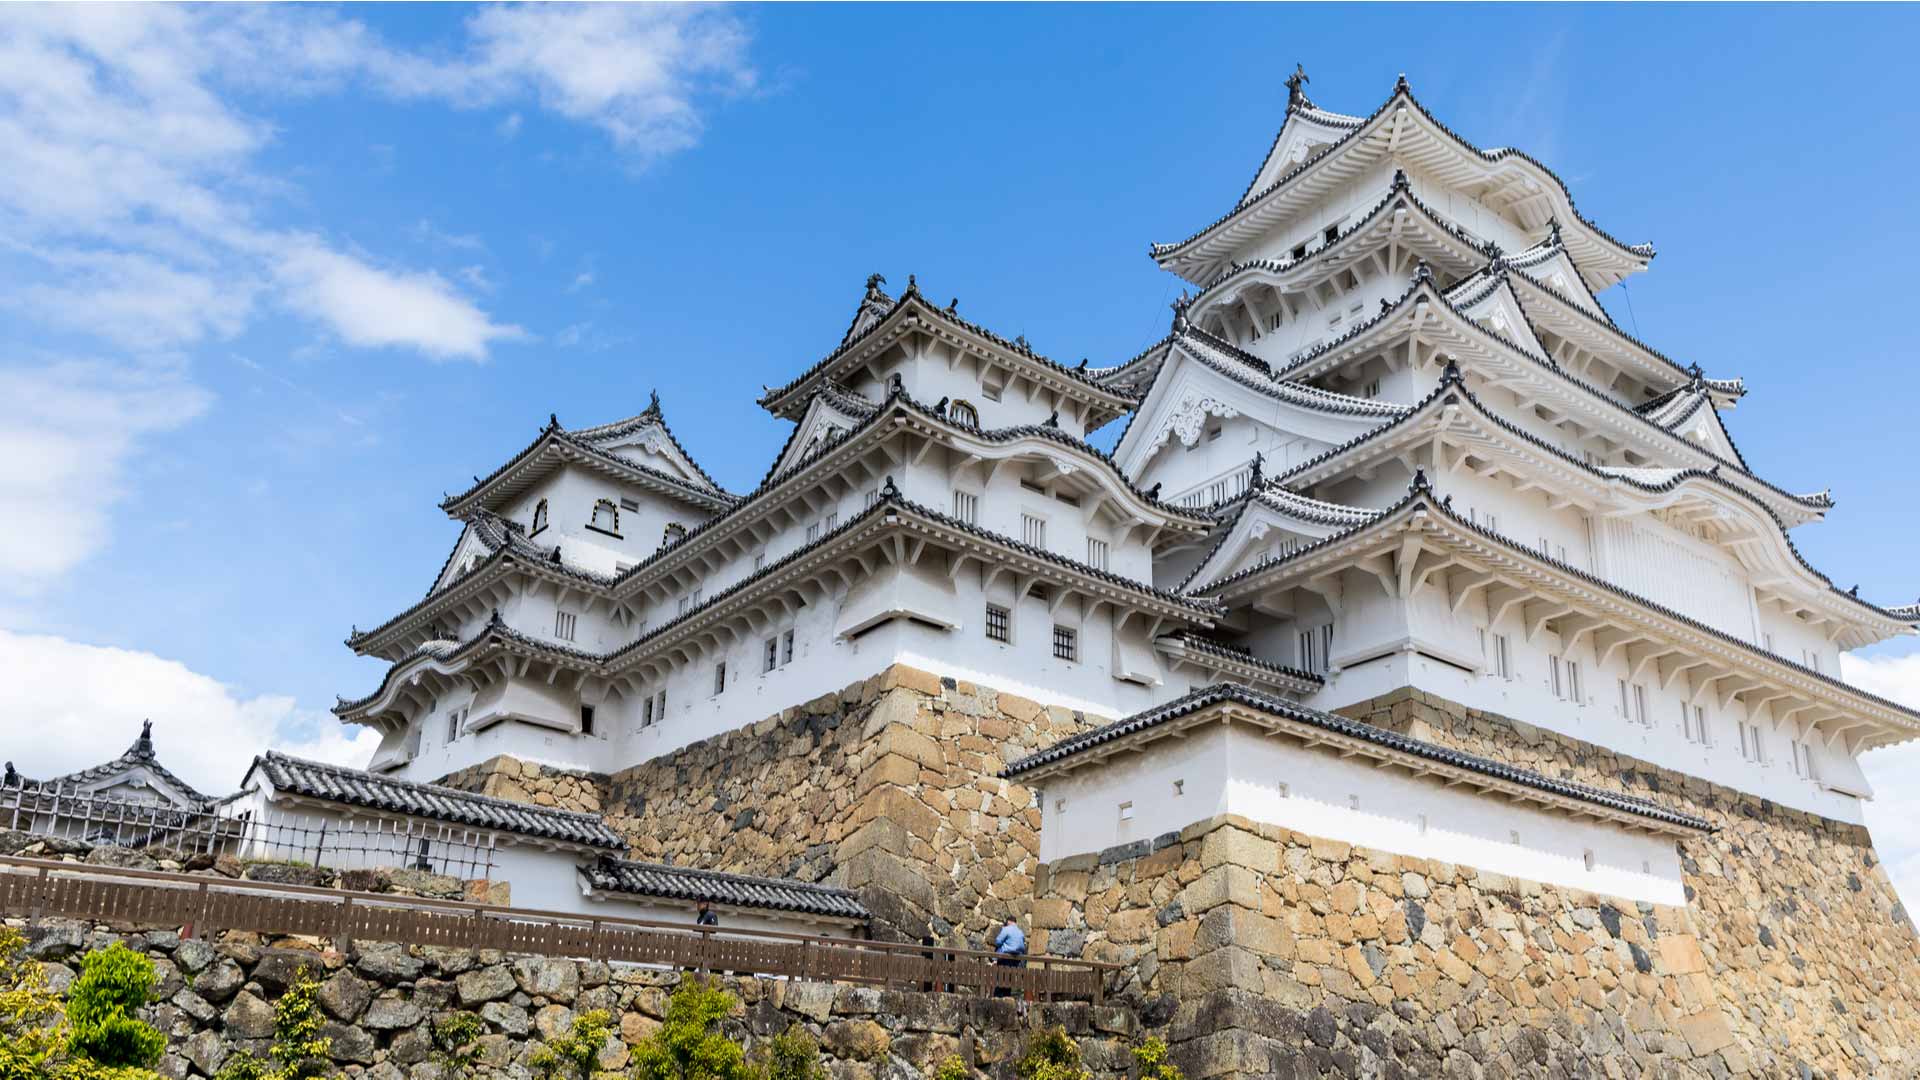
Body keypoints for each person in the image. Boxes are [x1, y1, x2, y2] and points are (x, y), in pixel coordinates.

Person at [992, 915, 1026, 997]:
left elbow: (998, 941)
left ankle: (998, 998)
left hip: (1005, 958)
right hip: (1016, 960)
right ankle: (1007, 998)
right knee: (1009, 979)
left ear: (1008, 922)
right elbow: (1023, 945)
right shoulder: (1020, 932)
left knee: (1001, 979)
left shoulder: (1006, 929)